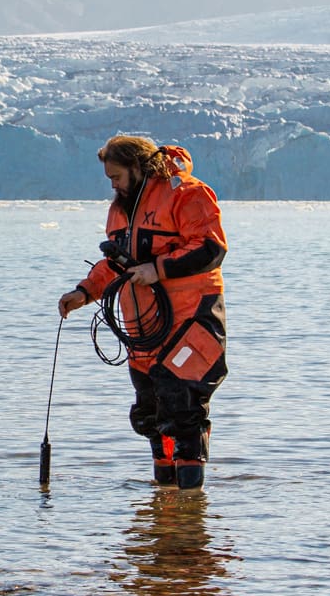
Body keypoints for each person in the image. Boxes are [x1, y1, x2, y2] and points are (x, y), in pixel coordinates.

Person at [59, 134, 227, 488]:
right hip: (143, 331)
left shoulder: (186, 194)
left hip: (190, 320)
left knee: (182, 407)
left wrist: (158, 269)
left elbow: (211, 248)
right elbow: (115, 265)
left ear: (137, 167)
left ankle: (190, 509)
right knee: (150, 414)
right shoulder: (120, 209)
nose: (113, 185)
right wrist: (84, 292)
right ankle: (165, 504)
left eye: (116, 177)